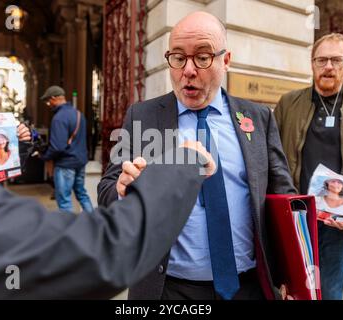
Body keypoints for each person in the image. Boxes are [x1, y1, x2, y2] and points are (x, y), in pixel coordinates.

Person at [0, 10, 217, 298]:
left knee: (68, 197)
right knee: (72, 199)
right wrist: (183, 165)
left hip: (66, 164)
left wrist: (29, 148)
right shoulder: (137, 114)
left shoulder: (255, 118)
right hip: (83, 175)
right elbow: (102, 250)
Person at [97, 11, 296, 300]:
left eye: (202, 57)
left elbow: (282, 196)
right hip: (168, 288)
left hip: (250, 287)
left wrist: (291, 274)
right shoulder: (143, 116)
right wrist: (121, 190)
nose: (188, 70)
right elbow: (107, 189)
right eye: (178, 57)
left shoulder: (257, 117)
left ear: (225, 60)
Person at [274, 33, 343, 300]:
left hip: (339, 223)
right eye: (321, 60)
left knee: (331, 293)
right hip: (295, 219)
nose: (328, 67)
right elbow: (271, 156)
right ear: (312, 63)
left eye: (336, 60)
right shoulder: (288, 104)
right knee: (291, 291)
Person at [40, 85, 94, 213]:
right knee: (82, 194)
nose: (48, 104)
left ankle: (69, 229)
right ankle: (94, 223)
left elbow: (58, 147)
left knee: (64, 201)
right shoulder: (79, 114)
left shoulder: (59, 118)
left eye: (48, 101)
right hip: (80, 161)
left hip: (65, 164)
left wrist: (44, 156)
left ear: (54, 98)